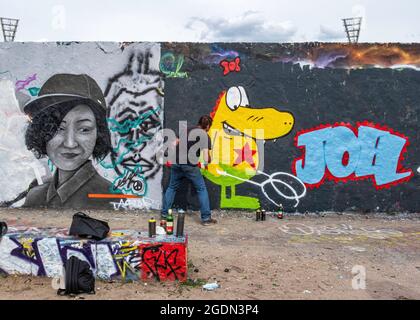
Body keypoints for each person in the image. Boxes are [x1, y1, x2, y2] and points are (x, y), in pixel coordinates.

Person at [22, 73, 115, 209]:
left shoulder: (109, 199)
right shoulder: (35, 197)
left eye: (84, 129)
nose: (70, 143)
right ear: (41, 132)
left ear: (98, 134)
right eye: (58, 128)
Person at [161, 115, 217, 225]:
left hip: (176, 163)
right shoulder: (205, 136)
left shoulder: (187, 129)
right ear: (208, 126)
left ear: (199, 123)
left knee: (172, 187)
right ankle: (206, 218)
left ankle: (164, 214)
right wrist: (208, 161)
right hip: (189, 165)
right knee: (201, 189)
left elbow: (174, 143)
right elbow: (206, 158)